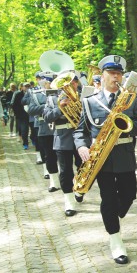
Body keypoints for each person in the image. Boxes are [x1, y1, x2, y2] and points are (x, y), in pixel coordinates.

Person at [73, 55, 137, 264]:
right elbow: (80, 131)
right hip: (100, 160)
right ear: (102, 76)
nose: (116, 77)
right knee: (108, 199)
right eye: (112, 73)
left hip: (124, 156)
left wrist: (129, 120)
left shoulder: (132, 99)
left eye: (119, 73)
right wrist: (82, 146)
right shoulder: (89, 102)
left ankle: (113, 215)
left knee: (129, 194)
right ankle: (116, 240)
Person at [44, 73, 84, 216]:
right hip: (62, 138)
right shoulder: (53, 98)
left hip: (81, 138)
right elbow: (46, 117)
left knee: (83, 167)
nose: (71, 85)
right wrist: (59, 108)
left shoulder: (84, 96)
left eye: (73, 82)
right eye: (68, 83)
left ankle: (79, 188)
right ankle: (68, 201)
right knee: (65, 171)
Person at [29, 77, 61, 192]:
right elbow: (31, 110)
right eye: (47, 82)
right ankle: (54, 182)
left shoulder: (62, 92)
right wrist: (47, 106)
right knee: (49, 156)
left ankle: (66, 180)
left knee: (63, 157)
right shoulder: (36, 95)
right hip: (45, 129)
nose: (49, 84)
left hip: (61, 128)